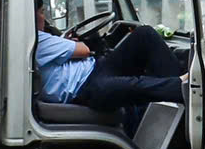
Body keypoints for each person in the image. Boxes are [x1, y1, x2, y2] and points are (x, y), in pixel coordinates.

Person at [32, 8, 189, 115]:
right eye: (41, 12)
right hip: (83, 89)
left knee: (144, 34)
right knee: (131, 85)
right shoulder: (36, 39)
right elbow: (83, 50)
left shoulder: (39, 40)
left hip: (95, 68)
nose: (43, 17)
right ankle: (182, 85)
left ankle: (179, 109)